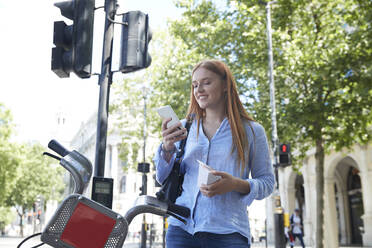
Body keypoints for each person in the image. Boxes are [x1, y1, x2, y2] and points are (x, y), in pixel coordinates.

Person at [153, 59, 275, 248]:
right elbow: (162, 178)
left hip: (229, 233)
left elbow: (267, 183)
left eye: (206, 82)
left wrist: (235, 184)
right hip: (181, 230)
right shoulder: (185, 128)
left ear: (225, 85)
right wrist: (167, 148)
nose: (199, 89)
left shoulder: (251, 131)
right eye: (195, 85)